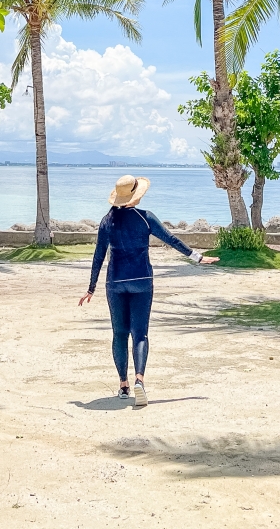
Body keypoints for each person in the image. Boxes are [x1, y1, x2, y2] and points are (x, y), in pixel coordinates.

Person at [78, 174, 218, 407]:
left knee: (119, 334)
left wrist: (91, 288)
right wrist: (197, 257)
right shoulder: (145, 218)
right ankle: (139, 381)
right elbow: (171, 239)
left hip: (115, 282)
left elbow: (99, 256)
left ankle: (123, 385)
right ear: (135, 196)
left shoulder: (107, 221)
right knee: (140, 334)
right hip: (142, 280)